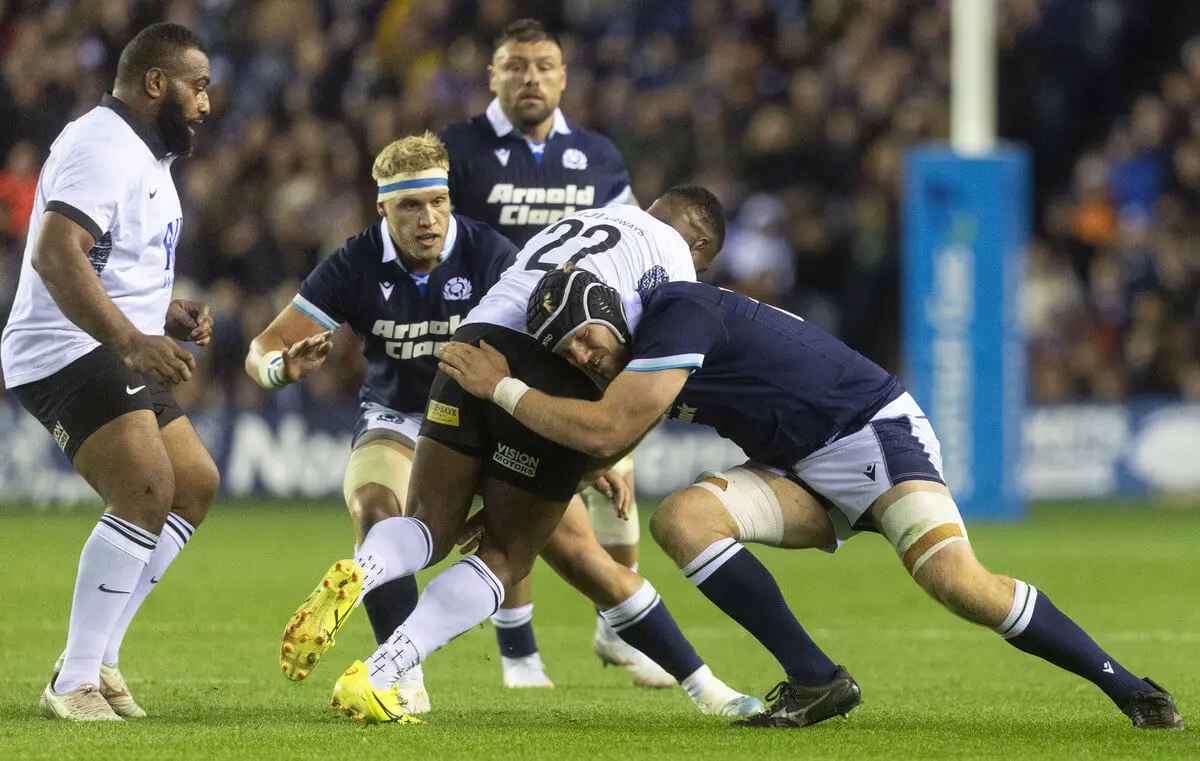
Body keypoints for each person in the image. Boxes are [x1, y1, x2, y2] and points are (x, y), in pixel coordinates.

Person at [436, 272, 1185, 732]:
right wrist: (527, 503)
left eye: (582, 338)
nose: (582, 356)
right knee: (683, 520)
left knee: (959, 584)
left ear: (611, 309)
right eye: (566, 352)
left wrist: (501, 388)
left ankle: (1130, 688)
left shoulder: (675, 313)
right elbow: (609, 439)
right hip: (797, 463)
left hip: (869, 430)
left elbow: (608, 428)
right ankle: (817, 678)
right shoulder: (646, 342)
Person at [289, 187, 765, 724]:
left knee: (428, 525)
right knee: (507, 557)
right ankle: (381, 672)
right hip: (560, 364)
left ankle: (365, 566)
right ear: (699, 243)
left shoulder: (585, 220)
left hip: (472, 345)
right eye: (704, 264)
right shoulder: (675, 261)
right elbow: (642, 399)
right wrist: (596, 459)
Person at [0, 23, 217, 722]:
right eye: (198, 86)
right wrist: (131, 340)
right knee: (146, 484)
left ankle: (96, 659)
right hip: (61, 346)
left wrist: (163, 313)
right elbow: (56, 252)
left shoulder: (148, 156)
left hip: (107, 342)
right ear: (156, 83)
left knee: (192, 483)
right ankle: (71, 683)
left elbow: (108, 259)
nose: (206, 103)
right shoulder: (103, 144)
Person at [438, 18, 651, 688]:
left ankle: (619, 628)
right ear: (492, 75)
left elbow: (634, 239)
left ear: (563, 77)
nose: (530, 77)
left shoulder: (598, 156)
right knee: (514, 490)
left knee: (619, 486)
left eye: (544, 66)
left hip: (583, 350)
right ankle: (520, 654)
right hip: (499, 347)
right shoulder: (456, 150)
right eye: (516, 65)